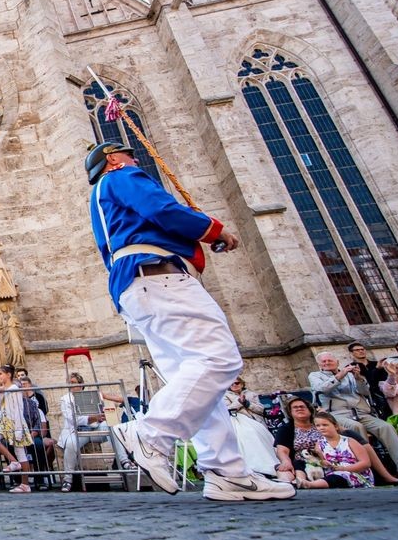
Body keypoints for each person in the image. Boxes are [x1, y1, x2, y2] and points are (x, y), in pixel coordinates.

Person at [84, 141, 294, 501]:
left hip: (139, 285)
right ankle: (151, 434)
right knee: (219, 360)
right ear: (114, 159)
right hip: (160, 277)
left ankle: (227, 472)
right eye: (131, 156)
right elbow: (161, 209)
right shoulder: (121, 177)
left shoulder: (102, 195)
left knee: (196, 379)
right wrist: (213, 230)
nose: (137, 161)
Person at [308, 351, 398, 479]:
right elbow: (322, 388)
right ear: (319, 364)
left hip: (361, 411)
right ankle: (370, 468)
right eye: (324, 361)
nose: (327, 363)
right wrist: (340, 375)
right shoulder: (315, 375)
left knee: (386, 427)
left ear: (337, 362)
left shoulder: (350, 375)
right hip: (337, 413)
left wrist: (359, 378)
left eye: (330, 360)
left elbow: (365, 392)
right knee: (356, 427)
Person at [272, 397, 398, 487]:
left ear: (309, 409)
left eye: (302, 406)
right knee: (299, 462)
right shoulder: (287, 428)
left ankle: (386, 476)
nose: (299, 409)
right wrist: (285, 461)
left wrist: (343, 433)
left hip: (334, 458)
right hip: (306, 461)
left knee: (358, 440)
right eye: (295, 408)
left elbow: (341, 432)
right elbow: (282, 450)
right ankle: (301, 481)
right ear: (290, 412)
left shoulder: (320, 422)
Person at [0, 365, 39, 494]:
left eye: (1, 374)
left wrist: (18, 429)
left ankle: (25, 483)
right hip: (5, 422)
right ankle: (14, 461)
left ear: (8, 375)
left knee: (20, 451)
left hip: (15, 422)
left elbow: (18, 408)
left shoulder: (14, 388)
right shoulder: (2, 389)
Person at [297, 412, 374, 490]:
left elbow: (366, 463)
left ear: (335, 426)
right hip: (332, 472)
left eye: (325, 425)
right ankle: (300, 481)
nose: (321, 428)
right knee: (300, 462)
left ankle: (310, 485)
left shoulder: (349, 441)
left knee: (339, 476)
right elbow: (321, 461)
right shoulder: (319, 443)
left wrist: (344, 469)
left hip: (354, 473)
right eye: (318, 426)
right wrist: (323, 462)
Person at [222, 377, 279, 477]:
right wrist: (239, 402)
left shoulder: (251, 394)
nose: (234, 385)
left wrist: (247, 403)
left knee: (263, 438)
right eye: (231, 383)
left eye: (237, 383)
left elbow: (261, 409)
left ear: (242, 384)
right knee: (249, 435)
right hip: (239, 421)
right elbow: (227, 410)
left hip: (256, 421)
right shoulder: (225, 396)